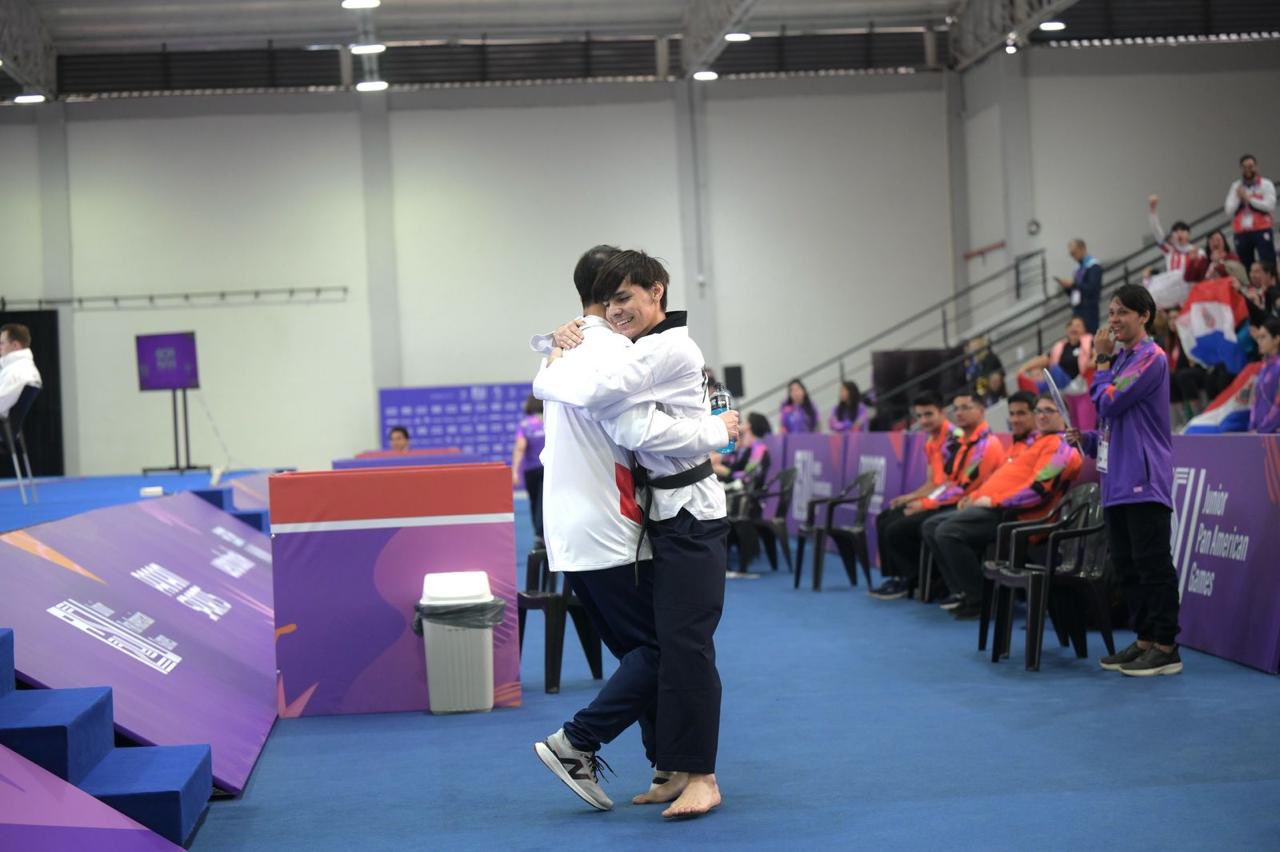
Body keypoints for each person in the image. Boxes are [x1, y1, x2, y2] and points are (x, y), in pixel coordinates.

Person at [527, 245, 738, 817]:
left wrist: (716, 433)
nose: (619, 309)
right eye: (612, 299)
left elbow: (627, 420)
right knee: (660, 648)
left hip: (689, 512)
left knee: (681, 648)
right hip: (652, 519)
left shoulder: (665, 345)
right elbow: (620, 411)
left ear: (656, 292)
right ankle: (670, 765)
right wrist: (551, 352)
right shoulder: (607, 346)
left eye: (628, 297)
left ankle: (699, 774)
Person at [1067, 284, 1182, 677]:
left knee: (1153, 565)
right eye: (1111, 312)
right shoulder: (1120, 361)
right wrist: (1084, 439)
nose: (1113, 320)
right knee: (1128, 566)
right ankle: (1145, 639)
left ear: (1144, 316)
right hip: (1115, 480)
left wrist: (1099, 362)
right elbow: (1108, 419)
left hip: (1144, 478)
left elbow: (1110, 400)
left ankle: (1167, 647)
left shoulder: (1152, 359)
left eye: (1122, 313)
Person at [924, 392, 1083, 619]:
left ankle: (981, 600)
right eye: (1039, 410)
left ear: (1065, 416)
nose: (1042, 416)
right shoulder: (1036, 442)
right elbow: (1004, 479)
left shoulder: (1062, 447)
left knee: (946, 531)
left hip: (1017, 517)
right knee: (931, 526)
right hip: (997, 508)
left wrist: (994, 501)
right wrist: (976, 496)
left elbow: (1038, 490)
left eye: (1049, 410)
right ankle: (963, 592)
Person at [869, 388, 1003, 600]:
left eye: (928, 414)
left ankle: (921, 580)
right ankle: (903, 578)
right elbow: (938, 481)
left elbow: (959, 485)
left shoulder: (959, 439)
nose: (923, 420)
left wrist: (926, 503)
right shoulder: (933, 441)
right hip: (945, 497)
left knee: (899, 528)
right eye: (919, 416)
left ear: (941, 412)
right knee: (885, 518)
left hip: (961, 502)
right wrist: (914, 497)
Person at [1224, 154, 1276, 270]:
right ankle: (1250, 288)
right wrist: (1239, 198)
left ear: (1256, 167)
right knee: (1245, 265)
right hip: (1241, 231)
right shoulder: (1236, 186)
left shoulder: (1266, 184)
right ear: (1241, 169)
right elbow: (1228, 210)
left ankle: (1273, 287)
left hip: (1262, 229)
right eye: (1245, 167)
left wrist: (1249, 199)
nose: (1248, 170)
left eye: (1251, 166)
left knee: (1268, 263)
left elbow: (1270, 206)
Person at [511, 396, 546, 541]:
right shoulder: (548, 422)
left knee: (534, 500)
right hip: (547, 467)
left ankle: (538, 533)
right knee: (545, 501)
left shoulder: (525, 425)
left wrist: (514, 471)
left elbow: (520, 447)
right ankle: (543, 531)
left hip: (531, 470)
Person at [1055, 239, 1102, 333]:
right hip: (1077, 309)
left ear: (1082, 249)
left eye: (1074, 253)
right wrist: (1067, 287)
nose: (1073, 256)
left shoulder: (1094, 266)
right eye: (1071, 254)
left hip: (1089, 311)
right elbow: (1075, 292)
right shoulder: (1078, 269)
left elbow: (1093, 288)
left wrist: (1073, 284)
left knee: (1089, 340)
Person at [1147, 195, 1202, 275]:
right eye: (1176, 231)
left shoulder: (1197, 251)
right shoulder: (1169, 249)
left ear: (1189, 235)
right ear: (1172, 236)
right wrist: (1152, 209)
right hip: (1172, 286)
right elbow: (1156, 229)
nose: (1179, 233)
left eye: (1183, 230)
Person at [714, 412, 771, 488]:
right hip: (730, 487)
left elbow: (748, 477)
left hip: (743, 495)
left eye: (745, 422)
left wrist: (725, 471)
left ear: (749, 426)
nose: (741, 424)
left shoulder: (758, 449)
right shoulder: (744, 446)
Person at [0, 323, 42, 420]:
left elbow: (2, 404)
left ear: (15, 345)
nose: (0, 347)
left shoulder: (20, 371)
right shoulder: (15, 369)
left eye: (2, 343)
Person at [1249, 317, 1280, 433]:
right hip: (1259, 432)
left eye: (1263, 337)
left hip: (1274, 434)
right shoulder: (1264, 367)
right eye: (1258, 337)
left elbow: (1278, 403)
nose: (1259, 341)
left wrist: (1263, 427)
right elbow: (1255, 400)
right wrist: (1252, 424)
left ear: (1276, 339)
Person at [963, 337, 1006, 408]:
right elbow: (972, 381)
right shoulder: (974, 363)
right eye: (972, 348)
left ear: (981, 346)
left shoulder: (990, 357)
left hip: (992, 388)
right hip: (981, 389)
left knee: (991, 379)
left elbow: (985, 375)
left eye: (975, 347)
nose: (974, 351)